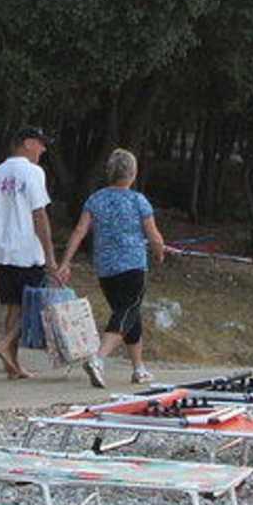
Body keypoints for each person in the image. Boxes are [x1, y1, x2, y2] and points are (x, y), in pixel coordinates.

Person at [57, 146, 167, 388]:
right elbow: (154, 235)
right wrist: (159, 251)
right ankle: (98, 359)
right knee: (127, 312)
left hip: (106, 269)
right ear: (133, 173)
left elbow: (79, 231)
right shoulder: (138, 201)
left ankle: (139, 369)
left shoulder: (95, 199)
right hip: (133, 266)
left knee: (127, 313)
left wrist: (65, 262)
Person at [0, 127, 61, 378]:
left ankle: (12, 365)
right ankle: (5, 344)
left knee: (14, 306)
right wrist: (50, 256)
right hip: (26, 249)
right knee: (36, 306)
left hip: (1, 250)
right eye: (41, 144)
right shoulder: (33, 172)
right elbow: (39, 213)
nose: (43, 149)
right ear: (28, 143)